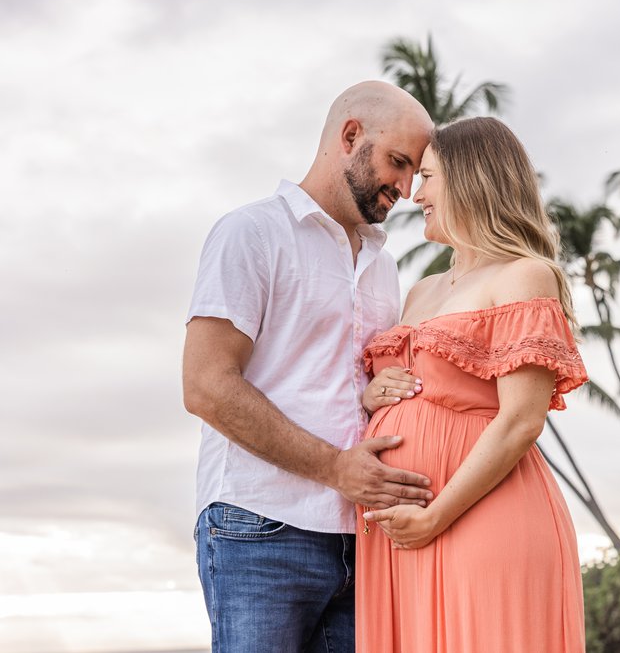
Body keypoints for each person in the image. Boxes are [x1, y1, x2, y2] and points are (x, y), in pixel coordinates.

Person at [181, 80, 435, 653]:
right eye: (398, 162)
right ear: (350, 137)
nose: (405, 186)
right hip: (259, 527)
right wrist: (336, 469)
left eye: (415, 173)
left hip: (364, 539)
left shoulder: (383, 266)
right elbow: (206, 386)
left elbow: (349, 383)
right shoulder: (251, 233)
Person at [357, 117, 588, 652]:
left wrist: (435, 516)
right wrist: (374, 394)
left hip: (479, 516)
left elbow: (521, 419)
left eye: (429, 177)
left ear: (471, 180)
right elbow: (413, 389)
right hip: (404, 533)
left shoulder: (525, 274)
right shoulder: (420, 292)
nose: (416, 195)